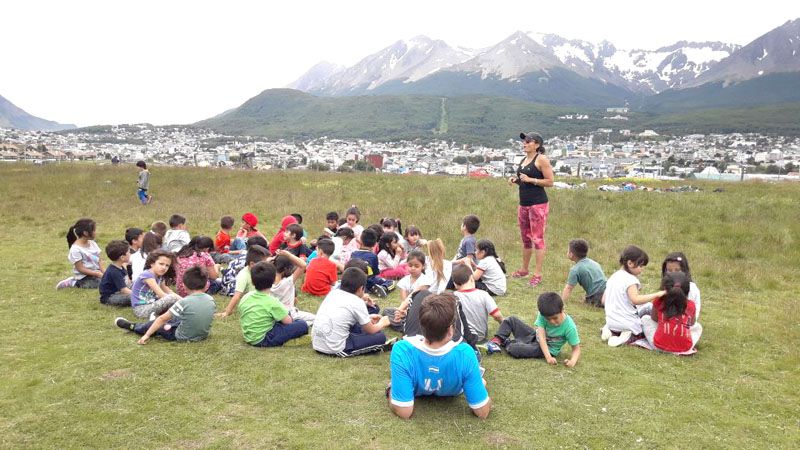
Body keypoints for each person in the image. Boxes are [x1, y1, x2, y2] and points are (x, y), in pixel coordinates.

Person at [387, 293, 491, 419]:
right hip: (457, 378)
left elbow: (403, 411)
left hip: (418, 351)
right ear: (451, 330)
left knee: (421, 295)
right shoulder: (465, 353)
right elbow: (482, 412)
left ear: (420, 325)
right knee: (453, 300)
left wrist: (391, 391)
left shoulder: (402, 349)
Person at [115, 266, 215, 344]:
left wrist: (146, 336)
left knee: (158, 324)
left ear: (184, 286)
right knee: (176, 318)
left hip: (182, 336)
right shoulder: (210, 299)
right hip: (202, 335)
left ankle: (134, 326)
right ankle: (159, 324)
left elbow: (161, 319)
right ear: (206, 284)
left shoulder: (184, 302)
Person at [312, 267, 392, 357]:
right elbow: (371, 330)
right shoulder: (357, 301)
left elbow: (343, 316)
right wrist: (382, 323)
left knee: (360, 329)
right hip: (336, 348)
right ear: (361, 288)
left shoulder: (333, 293)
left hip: (317, 343)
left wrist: (368, 318)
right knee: (380, 337)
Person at [508, 132, 554, 287]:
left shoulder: (541, 159)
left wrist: (531, 180)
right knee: (526, 238)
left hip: (537, 204)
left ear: (537, 145)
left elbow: (550, 181)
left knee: (537, 238)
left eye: (528, 141)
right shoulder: (524, 159)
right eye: (524, 141)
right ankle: (524, 269)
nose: (524, 143)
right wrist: (516, 181)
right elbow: (524, 181)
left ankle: (537, 274)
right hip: (524, 203)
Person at [489, 292, 581, 366]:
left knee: (515, 349)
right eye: (548, 319)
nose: (552, 321)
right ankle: (498, 340)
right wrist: (548, 358)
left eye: (555, 318)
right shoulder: (542, 315)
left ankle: (507, 343)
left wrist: (572, 361)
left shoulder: (570, 327)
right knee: (511, 320)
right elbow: (541, 337)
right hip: (535, 336)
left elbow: (576, 349)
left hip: (547, 349)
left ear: (562, 310)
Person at [601, 245, 665, 347]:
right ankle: (624, 337)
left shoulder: (613, 277)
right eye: (640, 266)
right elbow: (635, 299)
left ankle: (609, 330)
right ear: (630, 263)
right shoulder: (631, 280)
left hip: (611, 321)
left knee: (640, 308)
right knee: (646, 316)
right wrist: (656, 295)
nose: (641, 269)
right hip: (627, 324)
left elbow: (603, 300)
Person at [238, 262, 309, 347]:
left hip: (249, 336)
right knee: (302, 324)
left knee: (278, 316)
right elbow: (288, 322)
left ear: (253, 282)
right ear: (273, 280)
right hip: (264, 338)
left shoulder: (246, 296)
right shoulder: (272, 301)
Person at [641, 272, 702, 354]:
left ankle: (664, 339)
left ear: (664, 289)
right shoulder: (691, 305)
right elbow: (692, 323)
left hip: (658, 346)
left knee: (645, 319)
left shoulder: (659, 301)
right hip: (684, 348)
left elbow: (654, 319)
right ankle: (681, 344)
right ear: (687, 290)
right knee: (698, 327)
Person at [451, 264, 503, 343]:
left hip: (461, 336)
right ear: (471, 278)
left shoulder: (452, 297)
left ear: (454, 283)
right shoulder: (483, 295)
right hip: (480, 336)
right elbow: (497, 315)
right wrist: (503, 324)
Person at [216, 245, 271, 318]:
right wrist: (227, 312)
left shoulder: (262, 270)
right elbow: (237, 295)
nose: (266, 265)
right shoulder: (243, 276)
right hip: (255, 305)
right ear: (252, 264)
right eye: (263, 263)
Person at [383, 251, 432, 331]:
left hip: (421, 311)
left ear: (423, 266)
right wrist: (402, 312)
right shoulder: (405, 280)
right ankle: (402, 323)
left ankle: (404, 326)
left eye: (416, 266)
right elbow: (404, 299)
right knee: (387, 310)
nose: (412, 268)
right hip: (407, 310)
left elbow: (411, 296)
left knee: (418, 319)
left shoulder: (425, 280)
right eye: (410, 265)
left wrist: (399, 312)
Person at [130, 249, 182, 319]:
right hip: (141, 309)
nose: (164, 267)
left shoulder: (160, 276)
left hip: (152, 304)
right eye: (161, 264)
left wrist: (185, 301)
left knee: (172, 298)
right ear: (152, 263)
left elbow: (169, 291)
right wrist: (182, 302)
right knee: (171, 298)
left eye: (167, 265)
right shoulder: (147, 275)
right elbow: (162, 295)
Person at [57, 218, 104, 289]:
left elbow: (99, 260)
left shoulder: (93, 244)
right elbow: (80, 268)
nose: (95, 232)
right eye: (94, 230)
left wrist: (105, 273)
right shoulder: (75, 249)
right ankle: (72, 282)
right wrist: (96, 273)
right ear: (85, 233)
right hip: (84, 277)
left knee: (110, 281)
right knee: (100, 285)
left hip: (96, 274)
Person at [270, 251, 316, 325]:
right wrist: (288, 254)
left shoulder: (266, 280)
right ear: (287, 268)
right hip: (288, 314)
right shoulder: (287, 282)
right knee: (315, 319)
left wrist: (274, 258)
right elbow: (303, 265)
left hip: (273, 315)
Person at [561, 239, 606, 307]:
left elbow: (568, 288)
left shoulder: (575, 270)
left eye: (568, 251)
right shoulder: (594, 263)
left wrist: (561, 303)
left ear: (571, 254)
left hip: (597, 297)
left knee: (591, 301)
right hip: (608, 289)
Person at [349, 228, 392, 298]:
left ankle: (364, 288)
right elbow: (376, 272)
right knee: (390, 282)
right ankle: (383, 287)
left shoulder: (354, 254)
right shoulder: (373, 256)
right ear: (375, 243)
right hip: (368, 281)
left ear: (361, 241)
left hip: (353, 280)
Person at [661, 252, 701, 319]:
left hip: (684, 322)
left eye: (677, 270)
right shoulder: (667, 285)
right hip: (666, 320)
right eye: (669, 271)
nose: (673, 273)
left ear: (684, 270)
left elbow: (691, 315)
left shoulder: (691, 288)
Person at [98, 240, 132, 306]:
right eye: (129, 252)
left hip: (119, 292)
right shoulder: (114, 272)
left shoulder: (120, 266)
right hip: (110, 297)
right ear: (122, 257)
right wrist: (137, 294)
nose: (130, 254)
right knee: (132, 297)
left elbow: (128, 283)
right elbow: (124, 290)